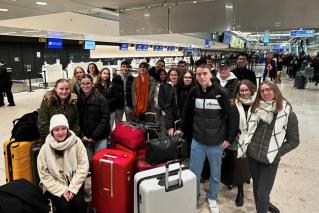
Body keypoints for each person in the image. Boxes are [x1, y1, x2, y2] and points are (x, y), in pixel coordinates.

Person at [176, 62, 238, 213]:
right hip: (197, 141)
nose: (202, 77)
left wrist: (229, 139)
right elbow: (186, 112)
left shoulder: (222, 93)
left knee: (215, 174)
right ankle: (194, 196)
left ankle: (212, 197)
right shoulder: (194, 92)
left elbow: (233, 116)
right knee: (194, 173)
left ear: (211, 74)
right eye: (199, 74)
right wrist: (181, 129)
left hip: (215, 143)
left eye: (205, 73)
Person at [237, 80, 300, 213]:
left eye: (268, 89)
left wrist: (276, 153)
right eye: (262, 91)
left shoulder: (288, 114)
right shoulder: (256, 109)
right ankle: (262, 207)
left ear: (276, 90)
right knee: (256, 189)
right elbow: (249, 129)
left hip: (270, 160)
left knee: (262, 194)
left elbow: (294, 141)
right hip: (253, 156)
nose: (265, 93)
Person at [37, 114, 89, 213]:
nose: (60, 133)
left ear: (67, 129)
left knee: (79, 204)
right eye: (56, 130)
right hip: (56, 182)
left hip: (74, 178)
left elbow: (83, 166)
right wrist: (62, 190)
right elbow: (44, 174)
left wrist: (73, 188)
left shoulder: (76, 142)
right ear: (52, 132)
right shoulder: (45, 149)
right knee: (65, 207)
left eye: (63, 128)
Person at [221, 80, 256, 207]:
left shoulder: (258, 102)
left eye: (247, 90)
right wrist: (232, 133)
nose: (244, 92)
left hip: (253, 138)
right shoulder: (233, 102)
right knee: (239, 164)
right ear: (238, 91)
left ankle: (249, 178)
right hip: (237, 138)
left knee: (251, 162)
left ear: (251, 90)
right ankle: (240, 191)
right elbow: (228, 119)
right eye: (242, 90)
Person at [77, 74, 110, 161]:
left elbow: (105, 119)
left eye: (88, 83)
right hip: (86, 138)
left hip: (100, 136)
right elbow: (78, 119)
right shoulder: (79, 99)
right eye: (83, 83)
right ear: (80, 85)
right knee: (90, 161)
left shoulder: (101, 99)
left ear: (92, 84)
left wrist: (94, 136)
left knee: (100, 161)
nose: (85, 85)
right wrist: (82, 135)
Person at [38, 79, 80, 143]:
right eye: (61, 89)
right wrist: (56, 141)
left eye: (67, 89)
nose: (64, 91)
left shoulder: (73, 102)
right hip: (52, 141)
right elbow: (43, 125)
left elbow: (76, 123)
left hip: (70, 140)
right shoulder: (47, 102)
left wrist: (71, 138)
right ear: (56, 89)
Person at [158, 68, 180, 135]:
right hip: (166, 116)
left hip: (178, 116)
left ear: (178, 76)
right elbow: (160, 102)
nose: (173, 76)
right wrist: (167, 110)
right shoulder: (163, 86)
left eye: (175, 75)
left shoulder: (180, 87)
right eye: (172, 75)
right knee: (166, 137)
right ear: (169, 76)